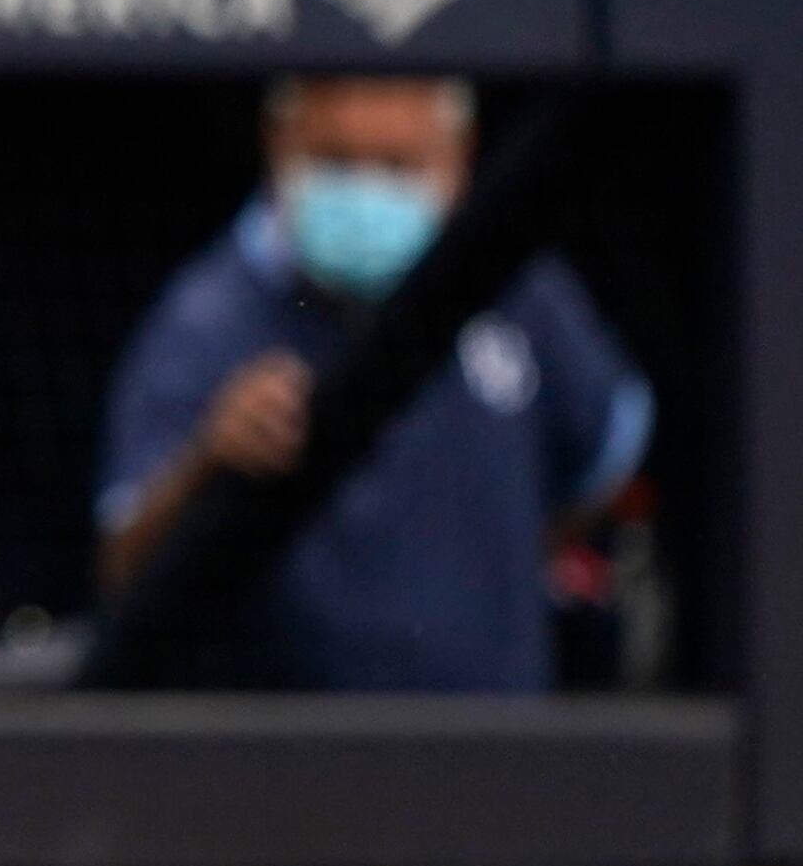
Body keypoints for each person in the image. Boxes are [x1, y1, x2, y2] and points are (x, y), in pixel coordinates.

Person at [95, 74, 650, 694]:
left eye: (395, 167)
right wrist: (210, 461)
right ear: (279, 142)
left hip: (494, 750)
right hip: (287, 762)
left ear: (459, 156)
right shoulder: (209, 318)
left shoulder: (521, 290)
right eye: (336, 161)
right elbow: (123, 571)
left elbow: (601, 467)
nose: (365, 190)